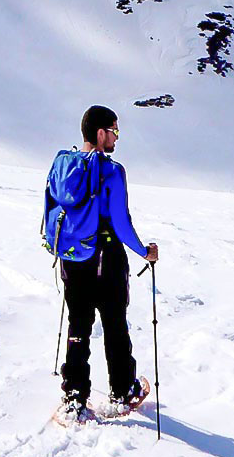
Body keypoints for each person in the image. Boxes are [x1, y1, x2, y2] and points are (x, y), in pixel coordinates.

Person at [43, 104, 159, 423]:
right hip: (107, 257)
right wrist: (143, 252)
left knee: (78, 324)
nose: (117, 138)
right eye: (115, 131)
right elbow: (121, 223)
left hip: (72, 256)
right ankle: (123, 392)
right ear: (100, 133)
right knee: (114, 325)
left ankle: (74, 399)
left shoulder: (64, 165)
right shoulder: (112, 170)